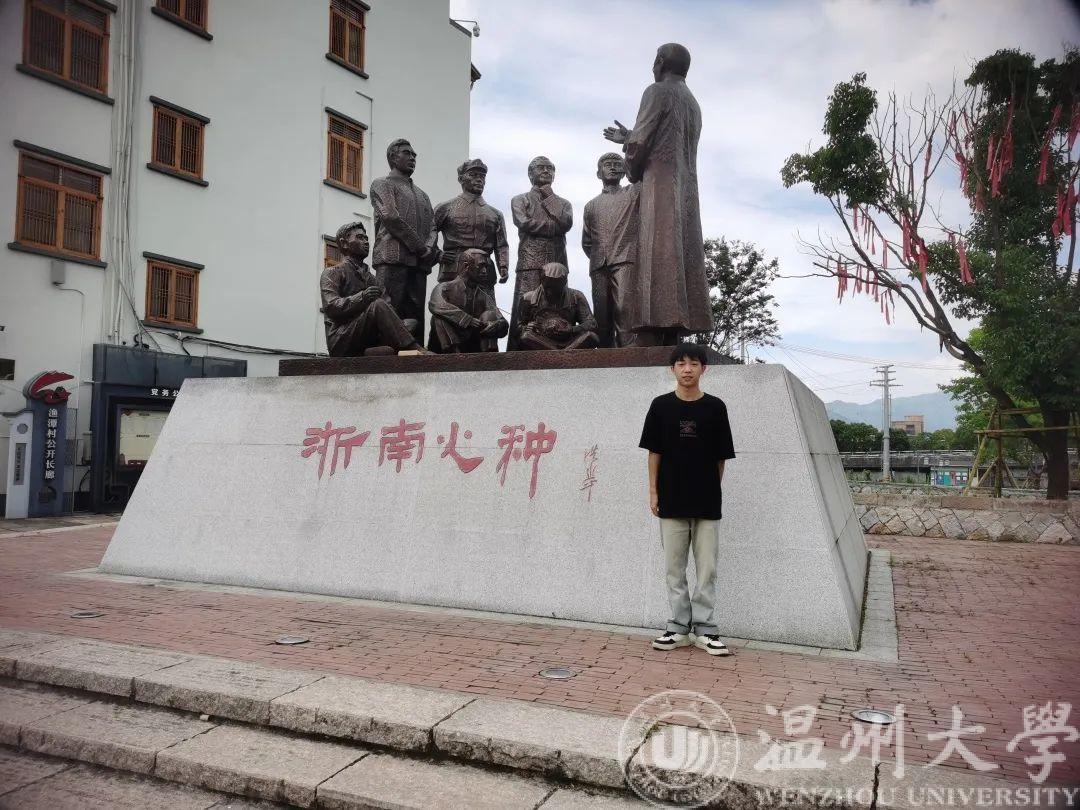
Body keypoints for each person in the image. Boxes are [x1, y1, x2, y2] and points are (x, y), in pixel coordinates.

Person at [603, 43, 714, 345]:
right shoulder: (692, 103)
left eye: (655, 60)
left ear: (661, 62)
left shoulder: (656, 91)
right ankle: (674, 328)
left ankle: (654, 326)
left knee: (657, 250)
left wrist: (631, 162)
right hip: (685, 188)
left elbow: (641, 143)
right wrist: (629, 137)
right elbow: (664, 138)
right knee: (680, 250)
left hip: (660, 185)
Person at [638, 343, 735, 656]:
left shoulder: (716, 407)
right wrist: (654, 491)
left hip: (707, 502)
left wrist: (711, 489)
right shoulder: (660, 406)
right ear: (673, 369)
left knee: (707, 569)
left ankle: (705, 629)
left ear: (704, 369)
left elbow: (721, 457)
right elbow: (654, 453)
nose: (687, 369)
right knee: (674, 568)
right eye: (681, 363)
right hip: (671, 500)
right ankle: (678, 628)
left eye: (694, 363)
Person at [370, 138, 440, 344]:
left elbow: (432, 225)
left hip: (419, 263)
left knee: (416, 314)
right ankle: (383, 349)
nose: (413, 158)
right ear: (393, 157)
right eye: (407, 153)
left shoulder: (423, 195)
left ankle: (415, 352)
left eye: (414, 155)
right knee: (389, 308)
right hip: (392, 257)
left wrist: (429, 248)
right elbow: (390, 216)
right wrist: (419, 246)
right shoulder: (382, 184)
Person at [319, 221, 426, 356]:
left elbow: (387, 307)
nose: (366, 242)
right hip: (341, 338)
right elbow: (331, 306)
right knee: (377, 305)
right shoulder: (332, 272)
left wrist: (400, 324)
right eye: (360, 238)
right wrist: (362, 297)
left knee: (411, 323)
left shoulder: (372, 279)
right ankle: (413, 348)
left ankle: (375, 350)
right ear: (344, 243)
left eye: (366, 238)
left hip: (366, 337)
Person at [508, 156, 573, 349]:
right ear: (530, 174)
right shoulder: (520, 199)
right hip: (530, 261)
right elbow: (524, 222)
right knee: (524, 307)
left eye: (550, 168)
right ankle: (517, 351)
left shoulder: (563, 203)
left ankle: (558, 345)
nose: (546, 171)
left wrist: (550, 198)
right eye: (541, 168)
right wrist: (553, 228)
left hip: (557, 263)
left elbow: (566, 223)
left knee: (558, 306)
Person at [581, 152, 639, 347]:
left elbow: (643, 173)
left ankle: (628, 351)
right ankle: (606, 354)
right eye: (607, 164)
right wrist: (598, 257)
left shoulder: (633, 193)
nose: (613, 167)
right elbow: (586, 241)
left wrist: (630, 147)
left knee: (624, 308)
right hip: (599, 264)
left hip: (625, 260)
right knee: (602, 314)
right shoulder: (590, 206)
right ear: (599, 173)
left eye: (617, 164)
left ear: (624, 171)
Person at [431, 158, 510, 296]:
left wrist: (503, 266)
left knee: (485, 307)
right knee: (451, 305)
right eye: (473, 175)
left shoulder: (495, 214)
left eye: (482, 176)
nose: (479, 179)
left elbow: (501, 245)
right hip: (454, 267)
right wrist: (438, 254)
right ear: (461, 179)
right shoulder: (446, 208)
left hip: (485, 271)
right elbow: (428, 234)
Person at [428, 248, 508, 353]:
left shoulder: (484, 294)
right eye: (481, 266)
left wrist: (497, 325)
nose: (485, 271)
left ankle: (488, 356)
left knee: (489, 315)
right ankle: (453, 356)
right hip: (448, 344)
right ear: (466, 266)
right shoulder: (445, 287)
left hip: (473, 343)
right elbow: (435, 305)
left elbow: (501, 320)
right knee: (439, 317)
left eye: (486, 267)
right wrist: (467, 320)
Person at [517, 263, 599, 351]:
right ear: (542, 280)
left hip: (570, 340)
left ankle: (559, 352)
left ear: (564, 282)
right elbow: (519, 326)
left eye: (555, 289)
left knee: (592, 336)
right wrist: (526, 327)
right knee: (525, 337)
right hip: (542, 340)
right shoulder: (528, 298)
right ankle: (564, 353)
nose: (550, 292)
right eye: (548, 288)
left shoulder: (576, 296)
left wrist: (572, 329)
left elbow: (592, 324)